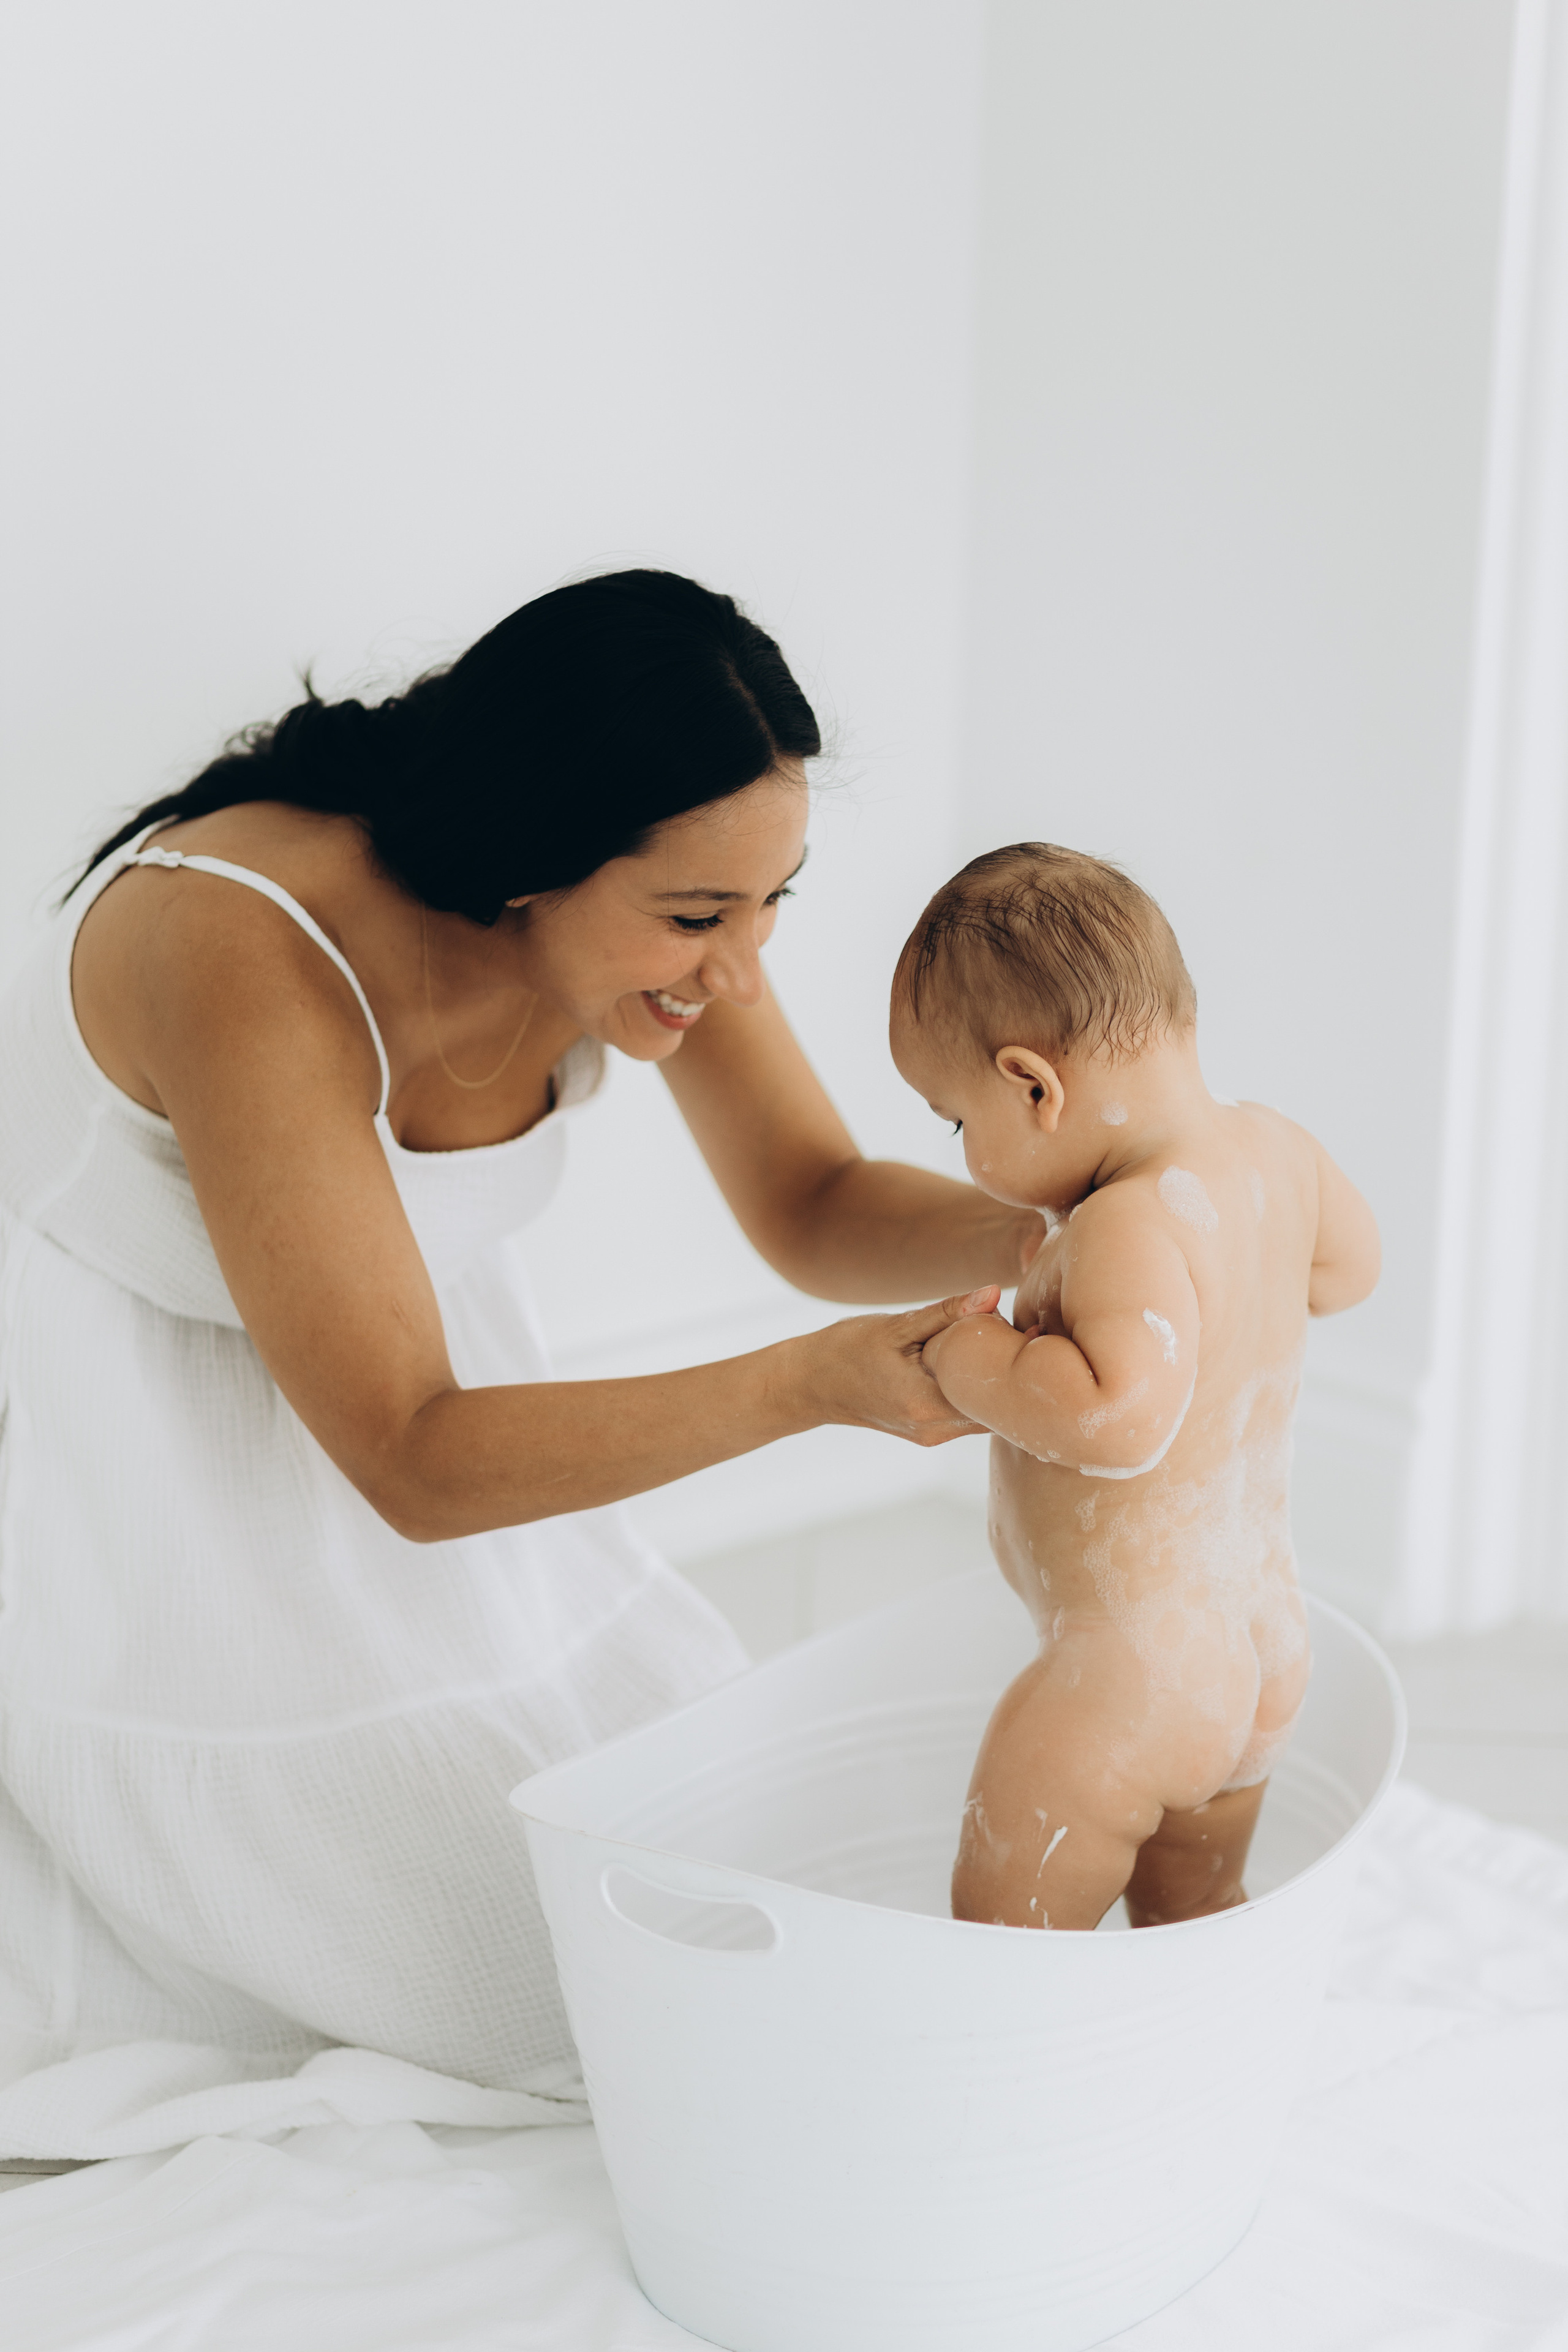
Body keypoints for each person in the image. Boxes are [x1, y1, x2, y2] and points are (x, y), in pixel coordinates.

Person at [0, 571, 1039, 2090]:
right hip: (137, 1476)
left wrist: (1082, 1224)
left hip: (409, 1443)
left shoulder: (645, 925)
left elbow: (811, 1201)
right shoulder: (242, 949)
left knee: (712, 1880)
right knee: (519, 1988)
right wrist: (817, 1387)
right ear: (528, 857)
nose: (740, 970)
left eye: (772, 905)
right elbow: (414, 1458)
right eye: (696, 917)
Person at [889, 843, 1379, 1931]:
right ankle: (1184, 2057)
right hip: (1257, 1644)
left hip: (1135, 1676)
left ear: (1034, 1085)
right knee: (1198, 1909)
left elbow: (1115, 1417)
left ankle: (1006, 2074)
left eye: (958, 1121)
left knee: (1007, 1938)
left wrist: (973, 1362)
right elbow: (1351, 1270)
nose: (965, 1146)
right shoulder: (1274, 1152)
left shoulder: (1127, 1223)